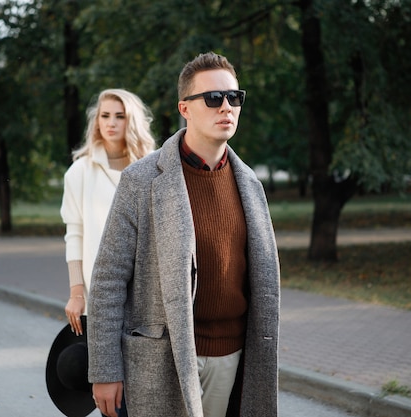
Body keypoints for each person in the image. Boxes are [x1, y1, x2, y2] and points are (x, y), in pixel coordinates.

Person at [87, 52, 280, 417]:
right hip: (161, 360)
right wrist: (104, 370)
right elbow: (108, 280)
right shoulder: (142, 181)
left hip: (231, 356)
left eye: (234, 97)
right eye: (213, 98)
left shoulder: (250, 184)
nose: (226, 106)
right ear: (185, 108)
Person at [61, 88, 155, 335]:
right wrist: (76, 292)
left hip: (145, 286)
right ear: (97, 120)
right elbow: (74, 234)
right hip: (100, 288)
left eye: (120, 116)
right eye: (105, 116)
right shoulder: (79, 172)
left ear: (131, 120)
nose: (111, 123)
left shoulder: (152, 170)